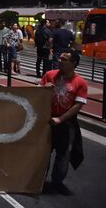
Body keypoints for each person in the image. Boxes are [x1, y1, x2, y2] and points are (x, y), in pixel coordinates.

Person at [40, 50, 87, 196]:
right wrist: (43, 89)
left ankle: (57, 182)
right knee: (43, 153)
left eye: (64, 59)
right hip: (47, 121)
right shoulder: (50, 75)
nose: (60, 60)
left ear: (74, 63)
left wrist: (60, 119)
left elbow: (78, 105)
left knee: (63, 154)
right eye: (60, 58)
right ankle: (39, 180)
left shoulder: (80, 82)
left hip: (66, 123)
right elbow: (35, 95)